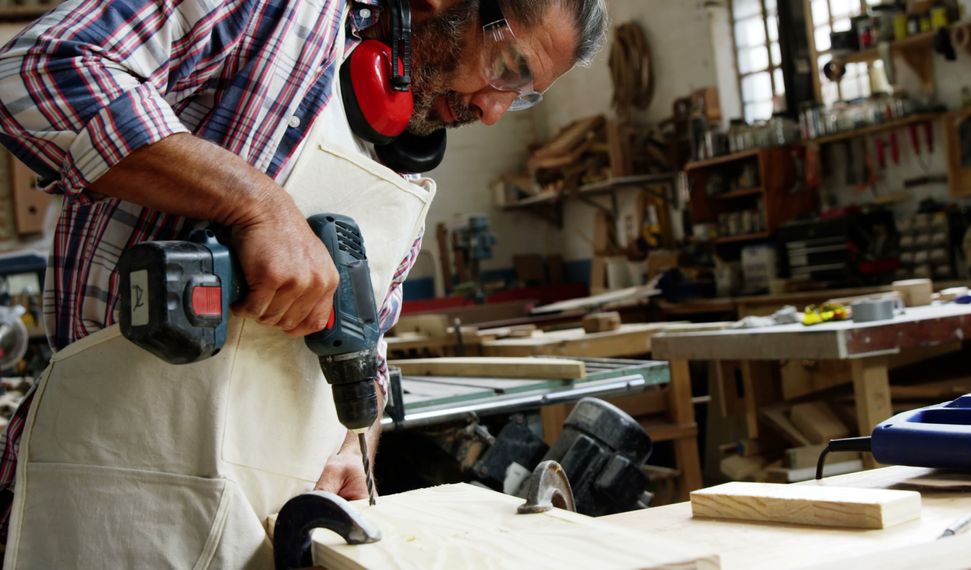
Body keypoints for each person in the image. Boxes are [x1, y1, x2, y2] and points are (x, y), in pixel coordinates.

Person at [0, 0, 608, 566]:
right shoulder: (270, 13)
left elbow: (367, 334)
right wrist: (258, 206)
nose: (494, 110)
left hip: (274, 527)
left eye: (522, 96)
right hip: (113, 499)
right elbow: (37, 70)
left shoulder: (401, 158)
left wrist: (354, 440)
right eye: (506, 68)